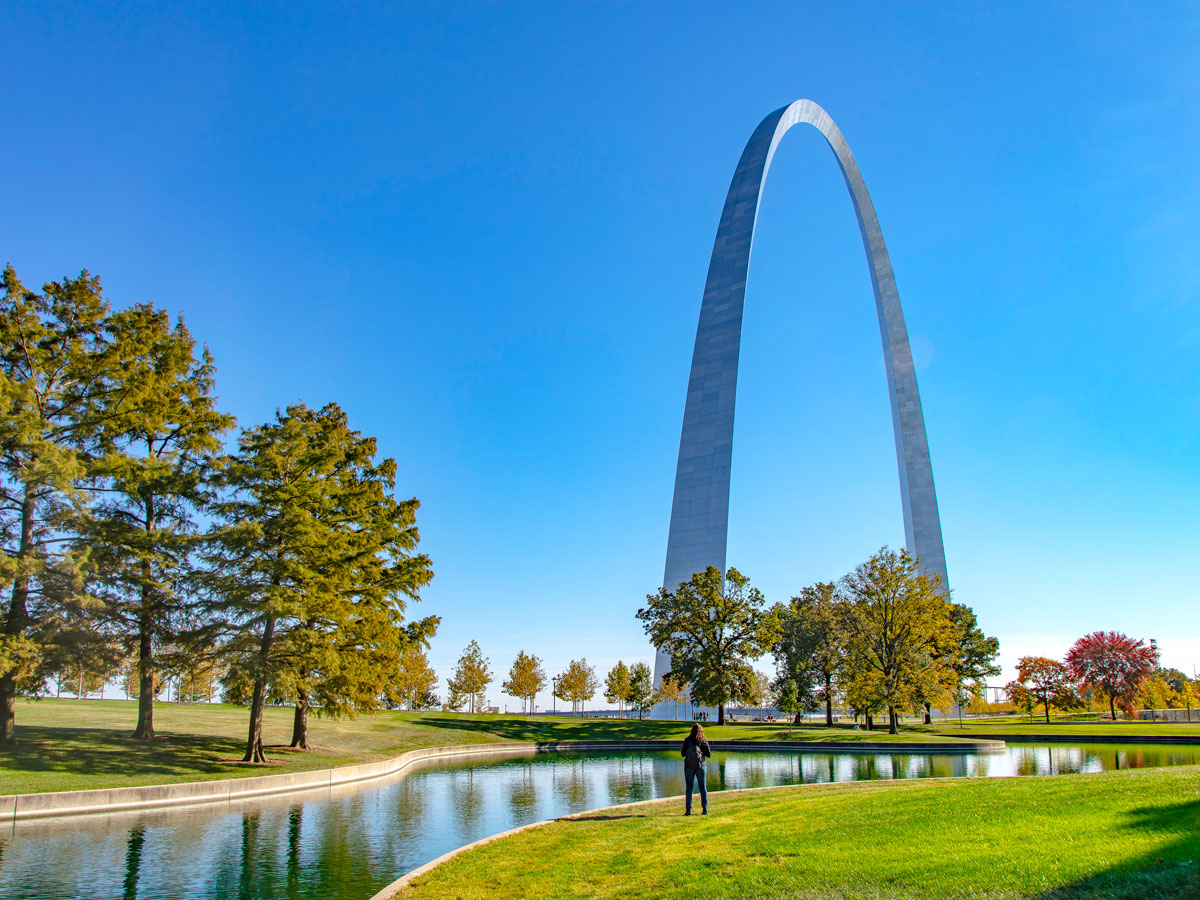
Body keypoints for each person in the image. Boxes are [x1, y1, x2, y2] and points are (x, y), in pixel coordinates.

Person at [680, 723, 711, 815]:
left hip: (689, 766)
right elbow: (709, 754)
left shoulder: (687, 740)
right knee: (703, 788)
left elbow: (682, 754)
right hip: (701, 766)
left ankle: (688, 810)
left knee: (689, 788)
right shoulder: (703, 740)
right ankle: (705, 809)